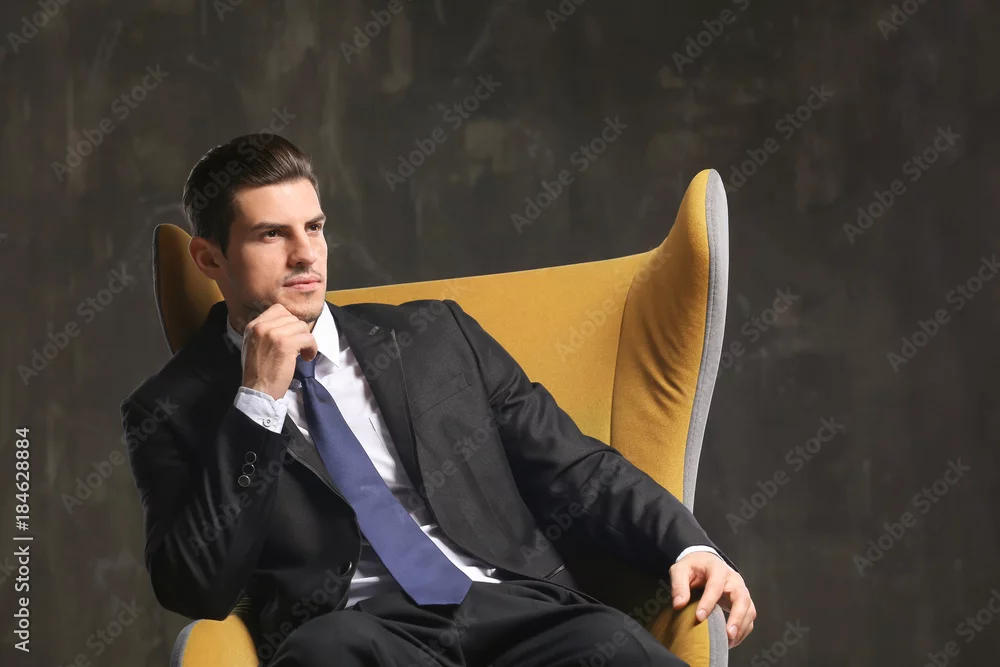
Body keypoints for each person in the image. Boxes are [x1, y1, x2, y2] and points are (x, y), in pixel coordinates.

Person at [121, 133, 755, 667]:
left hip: (513, 608)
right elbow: (196, 585)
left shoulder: (436, 336)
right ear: (209, 258)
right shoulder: (171, 409)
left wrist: (688, 545)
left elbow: (573, 465)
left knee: (616, 647)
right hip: (357, 632)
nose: (306, 254)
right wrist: (257, 402)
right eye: (271, 235)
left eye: (313, 227)